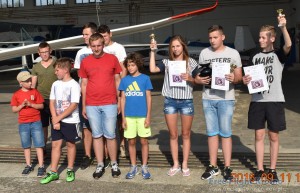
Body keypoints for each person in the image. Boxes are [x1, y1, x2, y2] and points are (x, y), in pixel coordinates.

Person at [242, 14, 292, 184]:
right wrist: (245, 80)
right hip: (257, 101)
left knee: (274, 136)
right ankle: (260, 169)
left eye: (263, 37)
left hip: (275, 100)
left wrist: (283, 27)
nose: (260, 40)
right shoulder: (255, 56)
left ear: (272, 38)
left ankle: (272, 169)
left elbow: (289, 44)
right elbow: (248, 77)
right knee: (258, 136)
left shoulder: (279, 55)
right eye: (259, 37)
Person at [194, 25, 242, 181]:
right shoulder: (204, 53)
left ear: (223, 37)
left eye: (215, 37)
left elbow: (239, 77)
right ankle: (213, 166)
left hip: (226, 99)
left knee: (226, 134)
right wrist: (198, 79)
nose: (212, 40)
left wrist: (233, 78)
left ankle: (227, 167)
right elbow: (198, 76)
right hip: (208, 98)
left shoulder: (233, 53)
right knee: (212, 134)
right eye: (210, 38)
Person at [149, 35, 198, 177]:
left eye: (178, 46)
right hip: (170, 100)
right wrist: (152, 51)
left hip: (186, 101)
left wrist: (191, 78)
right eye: (173, 46)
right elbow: (152, 69)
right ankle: (176, 163)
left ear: (183, 46)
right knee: (173, 134)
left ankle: (185, 164)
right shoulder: (167, 62)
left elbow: (198, 80)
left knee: (186, 134)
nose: (175, 49)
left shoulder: (191, 62)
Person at [79, 33, 122, 179]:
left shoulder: (112, 59)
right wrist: (84, 105)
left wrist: (119, 100)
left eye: (99, 45)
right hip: (91, 104)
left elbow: (117, 81)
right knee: (97, 136)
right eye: (93, 46)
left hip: (110, 102)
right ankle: (100, 164)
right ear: (90, 46)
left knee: (110, 135)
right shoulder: (85, 62)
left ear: (103, 44)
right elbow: (84, 84)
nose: (96, 48)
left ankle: (114, 163)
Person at [40, 58, 81, 184]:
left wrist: (58, 117)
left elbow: (73, 105)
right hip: (57, 120)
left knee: (70, 144)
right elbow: (51, 102)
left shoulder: (74, 85)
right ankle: (53, 172)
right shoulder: (55, 84)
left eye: (57, 69)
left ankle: (70, 169)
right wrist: (55, 119)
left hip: (71, 121)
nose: (55, 72)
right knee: (55, 145)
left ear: (65, 70)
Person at [119, 53, 153, 179]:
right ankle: (133, 166)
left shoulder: (145, 79)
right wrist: (123, 118)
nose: (130, 67)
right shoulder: (124, 80)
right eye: (128, 65)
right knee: (131, 141)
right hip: (129, 116)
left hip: (143, 115)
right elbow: (123, 99)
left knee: (144, 141)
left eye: (133, 65)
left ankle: (144, 165)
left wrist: (148, 116)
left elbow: (149, 98)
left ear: (138, 64)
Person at [98, 24, 127, 164]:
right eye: (101, 36)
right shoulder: (99, 49)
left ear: (110, 34)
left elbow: (123, 68)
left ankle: (121, 144)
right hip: (104, 91)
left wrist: (122, 87)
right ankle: (106, 150)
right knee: (106, 122)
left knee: (121, 120)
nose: (104, 38)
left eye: (105, 36)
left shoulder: (119, 48)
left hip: (117, 87)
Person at [11, 71, 45, 177]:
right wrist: (21, 105)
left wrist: (31, 104)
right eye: (27, 81)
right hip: (23, 123)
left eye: (30, 80)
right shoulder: (16, 94)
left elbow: (41, 106)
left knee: (39, 144)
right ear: (21, 83)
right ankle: (28, 165)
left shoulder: (35, 92)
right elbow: (14, 109)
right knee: (26, 145)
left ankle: (41, 166)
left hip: (36, 122)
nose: (30, 82)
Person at [74, 22, 98, 170]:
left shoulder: (105, 52)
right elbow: (80, 74)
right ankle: (88, 155)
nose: (84, 37)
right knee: (86, 127)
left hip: (102, 95)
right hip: (85, 94)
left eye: (86, 34)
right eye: (83, 34)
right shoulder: (80, 53)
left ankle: (105, 155)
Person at [31, 42, 57, 156]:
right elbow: (33, 84)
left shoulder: (56, 63)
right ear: (38, 53)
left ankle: (56, 148)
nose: (45, 55)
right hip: (41, 100)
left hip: (55, 99)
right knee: (43, 126)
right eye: (42, 53)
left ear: (50, 51)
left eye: (46, 52)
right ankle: (44, 147)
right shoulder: (36, 67)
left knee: (56, 124)